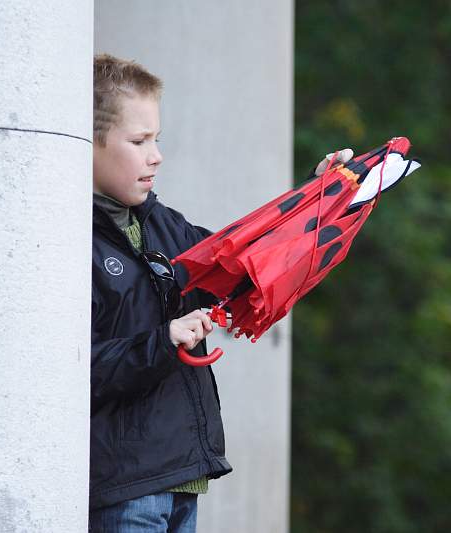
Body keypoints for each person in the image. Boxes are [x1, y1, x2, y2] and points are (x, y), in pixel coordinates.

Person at [89, 53, 351, 532]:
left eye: (157, 139)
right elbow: (74, 372)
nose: (156, 155)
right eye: (139, 140)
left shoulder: (164, 226)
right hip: (124, 489)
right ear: (87, 143)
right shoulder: (66, 242)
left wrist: (316, 200)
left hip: (184, 480)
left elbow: (245, 265)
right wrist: (163, 341)